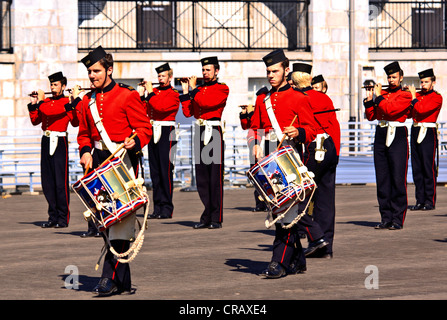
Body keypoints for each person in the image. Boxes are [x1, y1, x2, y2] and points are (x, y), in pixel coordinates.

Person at [70, 46, 152, 296]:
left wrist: (134, 141)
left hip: (122, 162)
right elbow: (83, 133)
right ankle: (122, 282)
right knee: (106, 222)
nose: (92, 76)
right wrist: (85, 151)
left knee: (120, 222)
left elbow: (144, 129)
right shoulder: (86, 101)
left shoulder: (127, 96)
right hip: (98, 163)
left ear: (109, 70)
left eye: (96, 71)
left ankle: (109, 278)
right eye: (89, 72)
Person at [247, 49, 317, 278]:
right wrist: (255, 144)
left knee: (286, 212)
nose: (270, 75)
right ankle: (298, 260)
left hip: (289, 157)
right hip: (268, 158)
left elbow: (312, 131)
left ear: (287, 71)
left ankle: (278, 262)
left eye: (275, 71)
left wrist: (298, 131)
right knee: (279, 209)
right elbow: (254, 128)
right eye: (268, 71)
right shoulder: (262, 98)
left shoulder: (299, 97)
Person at [291, 63, 340, 259]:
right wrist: (335, 153)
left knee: (300, 196)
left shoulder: (298, 98)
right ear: (309, 79)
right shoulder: (324, 97)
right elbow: (333, 126)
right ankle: (326, 248)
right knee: (326, 200)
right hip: (329, 147)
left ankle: (316, 237)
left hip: (313, 147)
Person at [180, 56, 229, 229]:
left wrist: (193, 90)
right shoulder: (199, 89)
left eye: (208, 70)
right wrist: (186, 92)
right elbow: (189, 113)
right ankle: (206, 215)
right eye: (203, 70)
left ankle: (216, 217)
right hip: (200, 131)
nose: (205, 73)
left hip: (213, 132)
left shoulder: (222, 89)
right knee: (202, 177)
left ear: (216, 71)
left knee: (214, 177)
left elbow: (206, 103)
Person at [363, 61, 412, 230]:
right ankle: (385, 217)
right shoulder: (382, 94)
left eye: (394, 77)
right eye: (389, 77)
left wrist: (379, 97)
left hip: (397, 134)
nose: (391, 80)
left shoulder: (405, 95)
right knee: (382, 178)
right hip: (381, 133)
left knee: (397, 178)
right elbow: (372, 116)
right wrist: (369, 101)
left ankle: (397, 219)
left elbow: (391, 110)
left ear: (401, 77)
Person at [28, 71, 79, 228]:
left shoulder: (64, 102)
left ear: (63, 86)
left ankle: (63, 218)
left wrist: (74, 102)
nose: (52, 87)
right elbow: (36, 121)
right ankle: (53, 217)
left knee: (60, 182)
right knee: (48, 181)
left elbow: (74, 122)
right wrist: (33, 104)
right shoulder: (47, 102)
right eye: (51, 84)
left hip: (59, 141)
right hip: (46, 139)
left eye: (55, 84)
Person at [139, 63, 180, 219]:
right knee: (155, 172)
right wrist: (142, 95)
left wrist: (149, 94)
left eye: (163, 76)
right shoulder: (153, 92)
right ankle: (157, 208)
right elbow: (145, 111)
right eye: (159, 76)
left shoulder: (174, 93)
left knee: (165, 171)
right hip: (153, 130)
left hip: (167, 132)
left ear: (170, 77)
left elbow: (161, 108)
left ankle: (167, 208)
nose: (160, 79)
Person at [408, 68, 443, 211]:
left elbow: (422, 110)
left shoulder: (437, 97)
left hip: (428, 131)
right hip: (416, 129)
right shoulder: (416, 95)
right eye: (421, 82)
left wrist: (412, 97)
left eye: (426, 82)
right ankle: (420, 200)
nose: (422, 84)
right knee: (417, 168)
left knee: (428, 167)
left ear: (433, 83)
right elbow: (410, 113)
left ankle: (430, 200)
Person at [239, 103, 267, 212]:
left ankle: (268, 202)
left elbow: (257, 123)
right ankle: (259, 203)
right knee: (256, 175)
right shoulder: (254, 112)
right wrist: (244, 113)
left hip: (265, 140)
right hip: (254, 144)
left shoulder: (263, 111)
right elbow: (245, 125)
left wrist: (251, 112)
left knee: (266, 175)